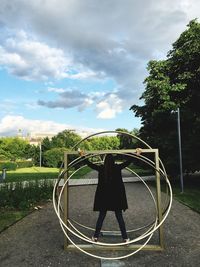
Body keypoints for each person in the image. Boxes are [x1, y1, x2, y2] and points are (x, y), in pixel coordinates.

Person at [80, 152, 131, 243]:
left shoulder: (101, 168)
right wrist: (137, 154)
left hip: (104, 199)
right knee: (119, 218)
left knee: (101, 217)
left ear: (105, 161)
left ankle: (95, 237)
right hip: (116, 198)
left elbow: (89, 164)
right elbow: (128, 162)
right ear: (113, 160)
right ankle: (125, 238)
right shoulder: (117, 168)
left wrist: (83, 156)